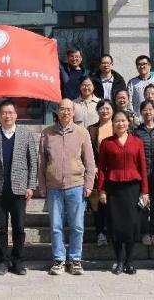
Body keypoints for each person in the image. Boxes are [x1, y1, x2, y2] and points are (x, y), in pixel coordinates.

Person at [0, 99, 38, 276]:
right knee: (0, 228)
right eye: (4, 113)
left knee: (19, 227)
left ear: (16, 115)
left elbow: (33, 163)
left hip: (19, 189)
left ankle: (18, 261)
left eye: (10, 112)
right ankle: (2, 262)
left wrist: (31, 185)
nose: (7, 116)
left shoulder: (25, 135)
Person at [39, 99, 96, 276]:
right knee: (56, 225)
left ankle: (75, 259)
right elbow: (41, 162)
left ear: (73, 112)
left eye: (69, 109)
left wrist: (89, 184)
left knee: (77, 225)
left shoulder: (82, 132)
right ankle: (59, 260)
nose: (65, 112)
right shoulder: (47, 133)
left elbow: (89, 161)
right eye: (62, 109)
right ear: (57, 112)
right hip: (53, 186)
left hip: (76, 185)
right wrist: (42, 184)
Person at [98, 110, 149, 275]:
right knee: (116, 225)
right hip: (114, 188)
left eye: (123, 120)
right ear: (113, 124)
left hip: (133, 188)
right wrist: (102, 190)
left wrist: (145, 191)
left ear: (128, 123)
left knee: (132, 225)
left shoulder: (137, 142)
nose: (120, 123)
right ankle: (119, 260)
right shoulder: (106, 143)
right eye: (117, 121)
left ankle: (129, 261)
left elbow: (143, 167)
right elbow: (102, 169)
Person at [133, 100, 154, 247]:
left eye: (150, 109)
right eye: (145, 109)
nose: (148, 112)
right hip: (142, 174)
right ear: (141, 112)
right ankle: (145, 233)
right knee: (143, 205)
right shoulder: (137, 132)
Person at [87, 99, 114, 248]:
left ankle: (112, 233)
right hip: (98, 172)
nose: (105, 111)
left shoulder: (118, 126)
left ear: (113, 110)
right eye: (101, 108)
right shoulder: (91, 129)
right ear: (97, 111)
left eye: (107, 108)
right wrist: (93, 167)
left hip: (115, 172)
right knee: (98, 204)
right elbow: (88, 152)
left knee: (114, 204)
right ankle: (100, 233)